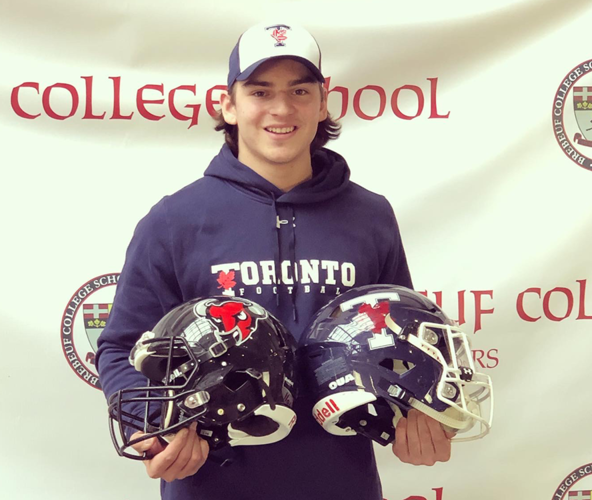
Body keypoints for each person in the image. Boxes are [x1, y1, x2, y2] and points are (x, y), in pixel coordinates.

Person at [96, 21, 455, 500]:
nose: (282, 109)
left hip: (341, 484)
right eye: (260, 91)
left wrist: (418, 415)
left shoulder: (370, 217)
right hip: (209, 485)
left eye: (300, 91)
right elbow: (120, 347)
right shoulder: (174, 220)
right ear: (229, 103)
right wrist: (149, 428)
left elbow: (405, 340)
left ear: (324, 102)